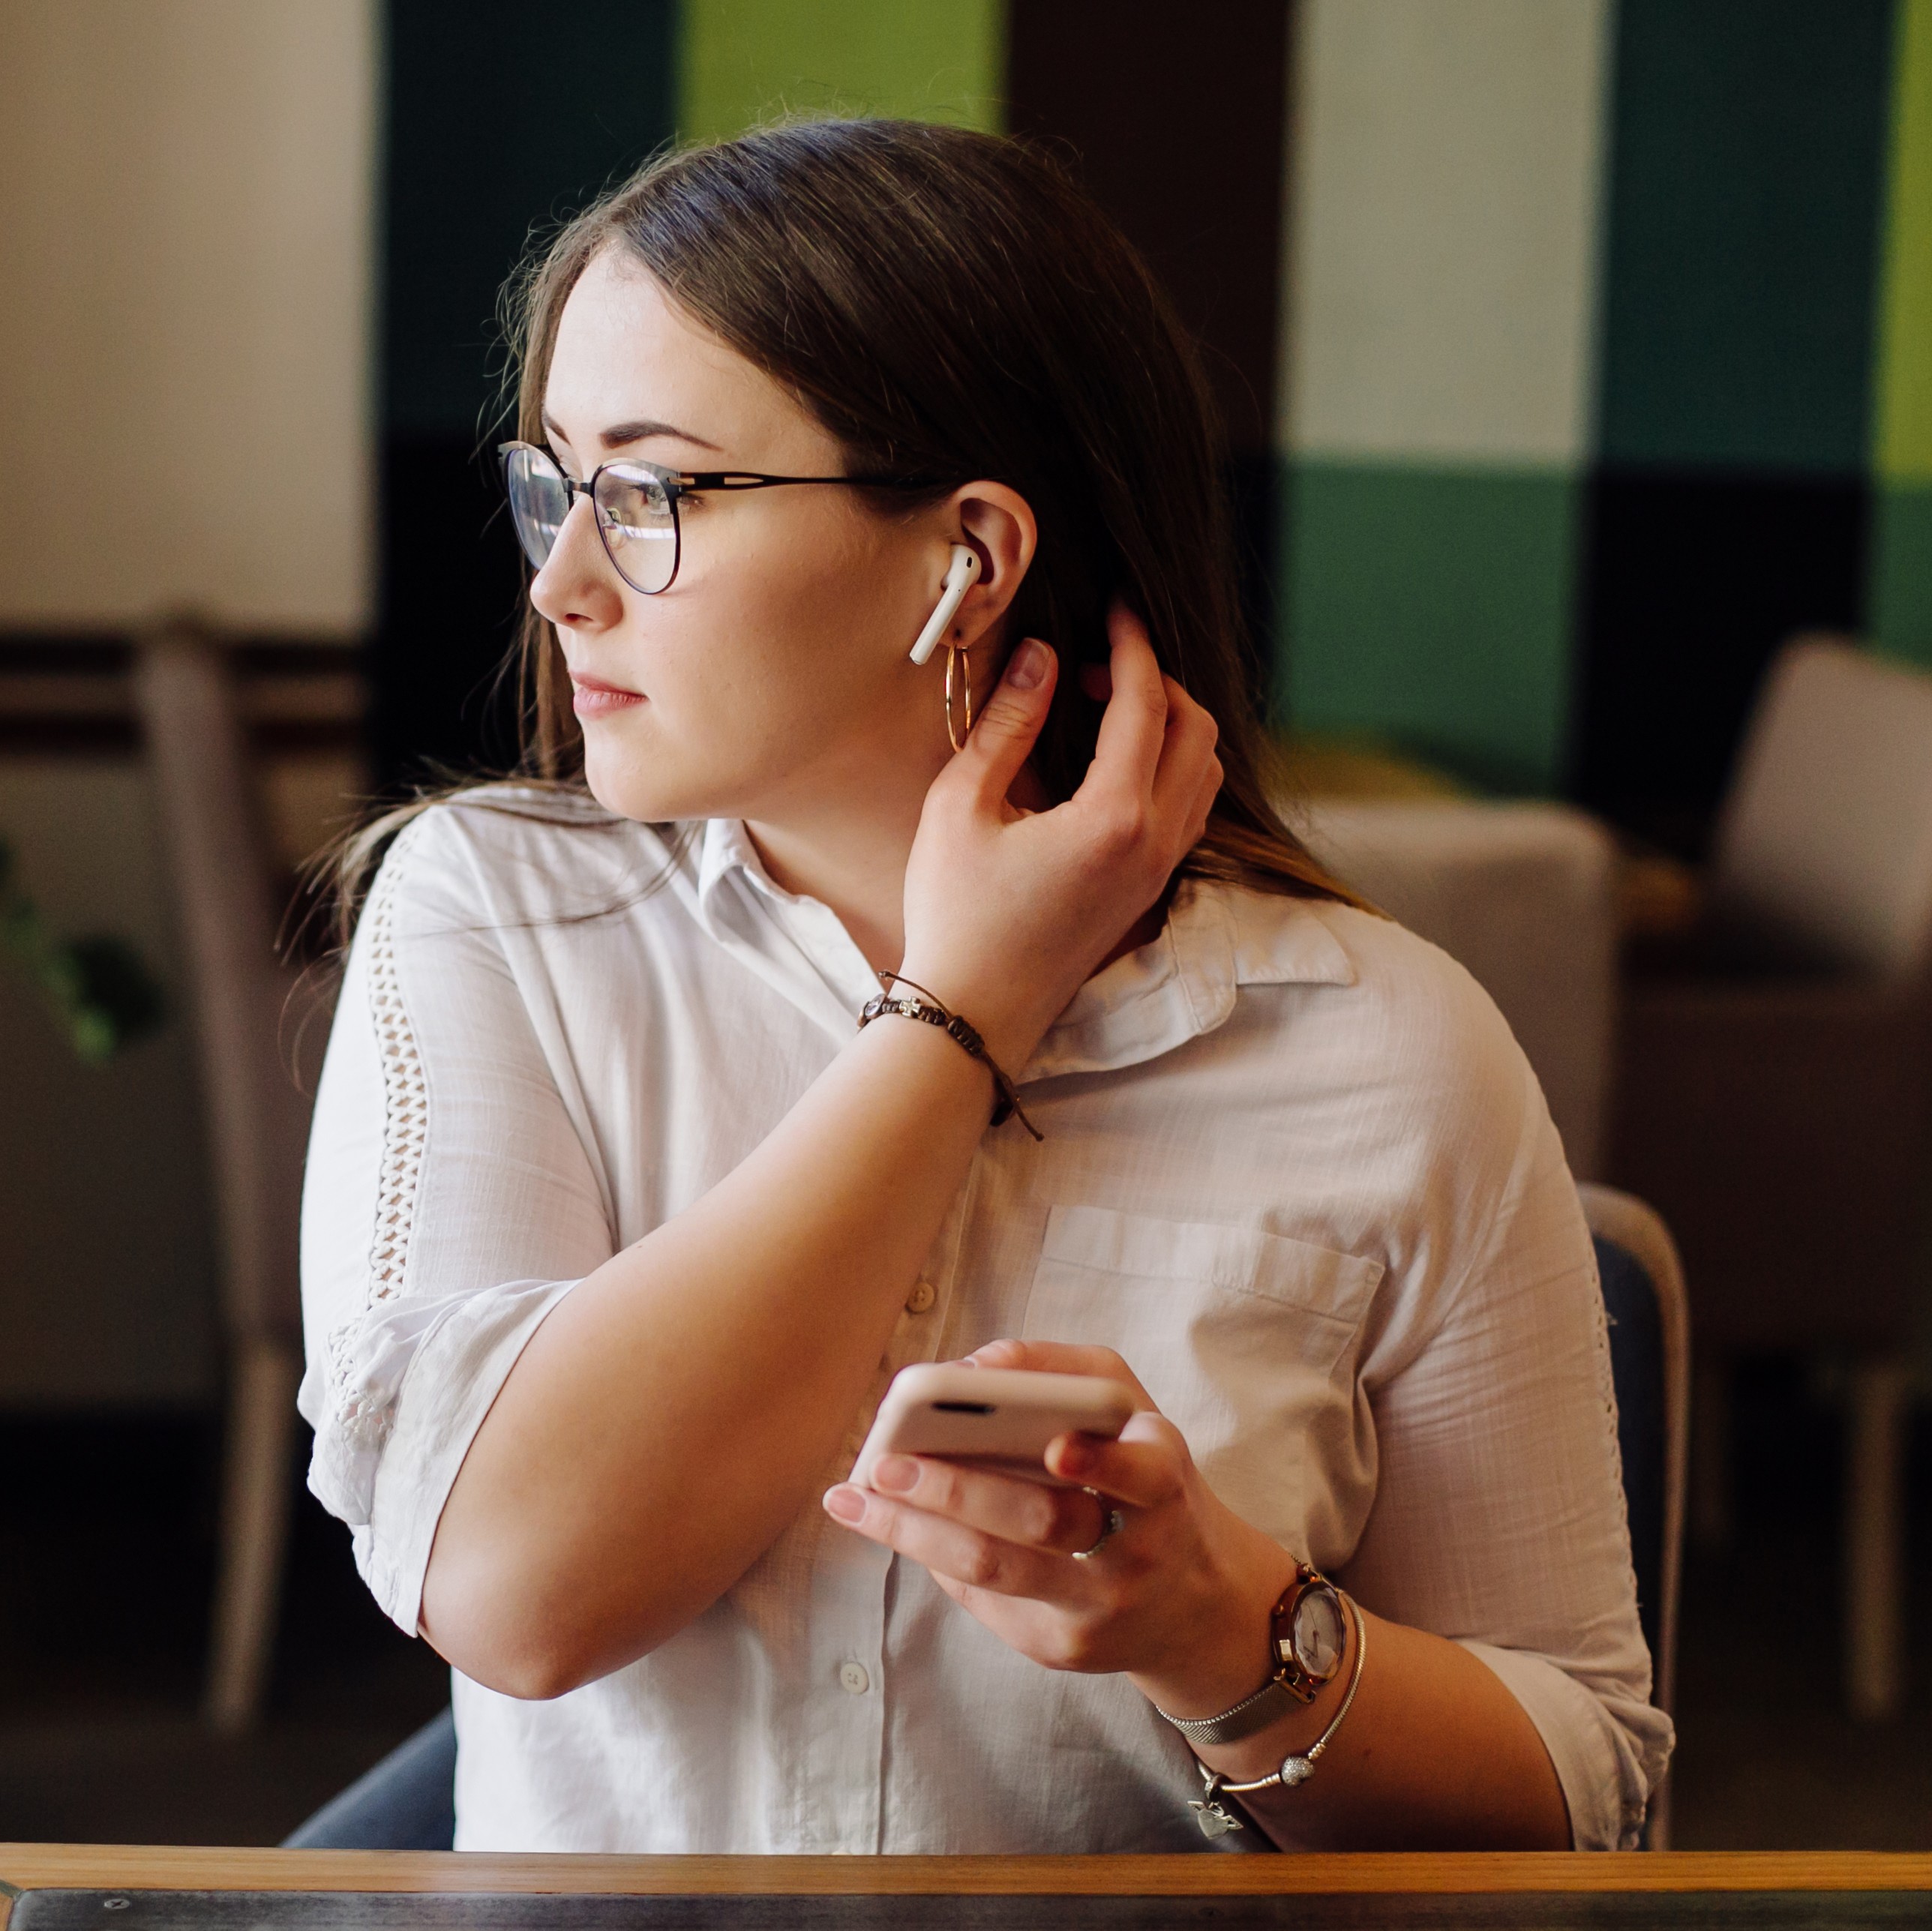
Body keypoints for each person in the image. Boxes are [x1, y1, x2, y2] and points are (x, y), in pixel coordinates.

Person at [296, 118, 1670, 1855]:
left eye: (650, 494)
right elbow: (510, 1584)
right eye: (556, 483)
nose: (561, 581)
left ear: (968, 557)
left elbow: (1588, 1807)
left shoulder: (1386, 1043)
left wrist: (1219, 1634)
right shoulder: (495, 917)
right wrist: (954, 1015)